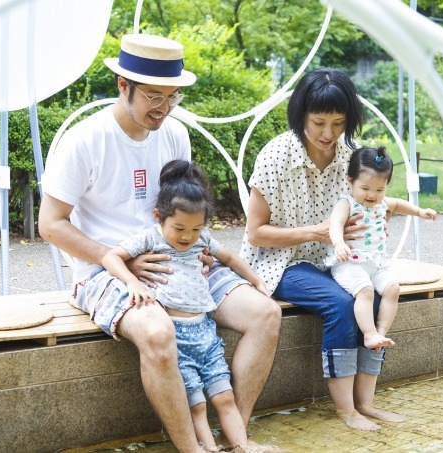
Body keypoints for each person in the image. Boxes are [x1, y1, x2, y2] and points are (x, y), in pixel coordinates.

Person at [38, 33, 281, 453]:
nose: (164, 108)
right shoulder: (85, 140)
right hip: (104, 270)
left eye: (173, 97)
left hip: (180, 261)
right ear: (122, 85)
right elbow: (51, 224)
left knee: (265, 313)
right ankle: (192, 449)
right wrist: (122, 263)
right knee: (156, 330)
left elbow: (182, 210)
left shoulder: (174, 135)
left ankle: (234, 438)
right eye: (154, 96)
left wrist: (196, 247)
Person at [240, 67, 406, 432]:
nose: (328, 134)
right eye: (318, 123)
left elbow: (369, 199)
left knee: (378, 299)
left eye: (338, 123)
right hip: (282, 262)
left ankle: (366, 403)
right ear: (301, 115)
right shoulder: (275, 156)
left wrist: (376, 218)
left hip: (335, 261)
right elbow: (255, 234)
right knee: (343, 305)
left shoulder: (350, 156)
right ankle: (345, 410)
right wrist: (316, 232)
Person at [102, 160, 269, 451]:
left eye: (195, 228)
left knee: (225, 397)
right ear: (159, 216)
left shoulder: (200, 238)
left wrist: (256, 281)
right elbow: (110, 257)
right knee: (198, 407)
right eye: (179, 227)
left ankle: (242, 445)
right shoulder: (150, 238)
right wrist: (132, 281)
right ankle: (208, 449)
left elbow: (229, 257)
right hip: (176, 337)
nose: (187, 237)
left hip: (205, 332)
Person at [325, 145, 438, 353]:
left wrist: (420, 211)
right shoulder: (346, 202)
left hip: (376, 265)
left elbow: (398, 204)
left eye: (379, 190)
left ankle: (381, 332)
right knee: (365, 290)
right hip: (349, 264)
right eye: (365, 189)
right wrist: (339, 243)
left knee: (393, 288)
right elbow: (335, 224)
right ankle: (369, 334)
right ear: (350, 181)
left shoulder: (382, 203)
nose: (372, 195)